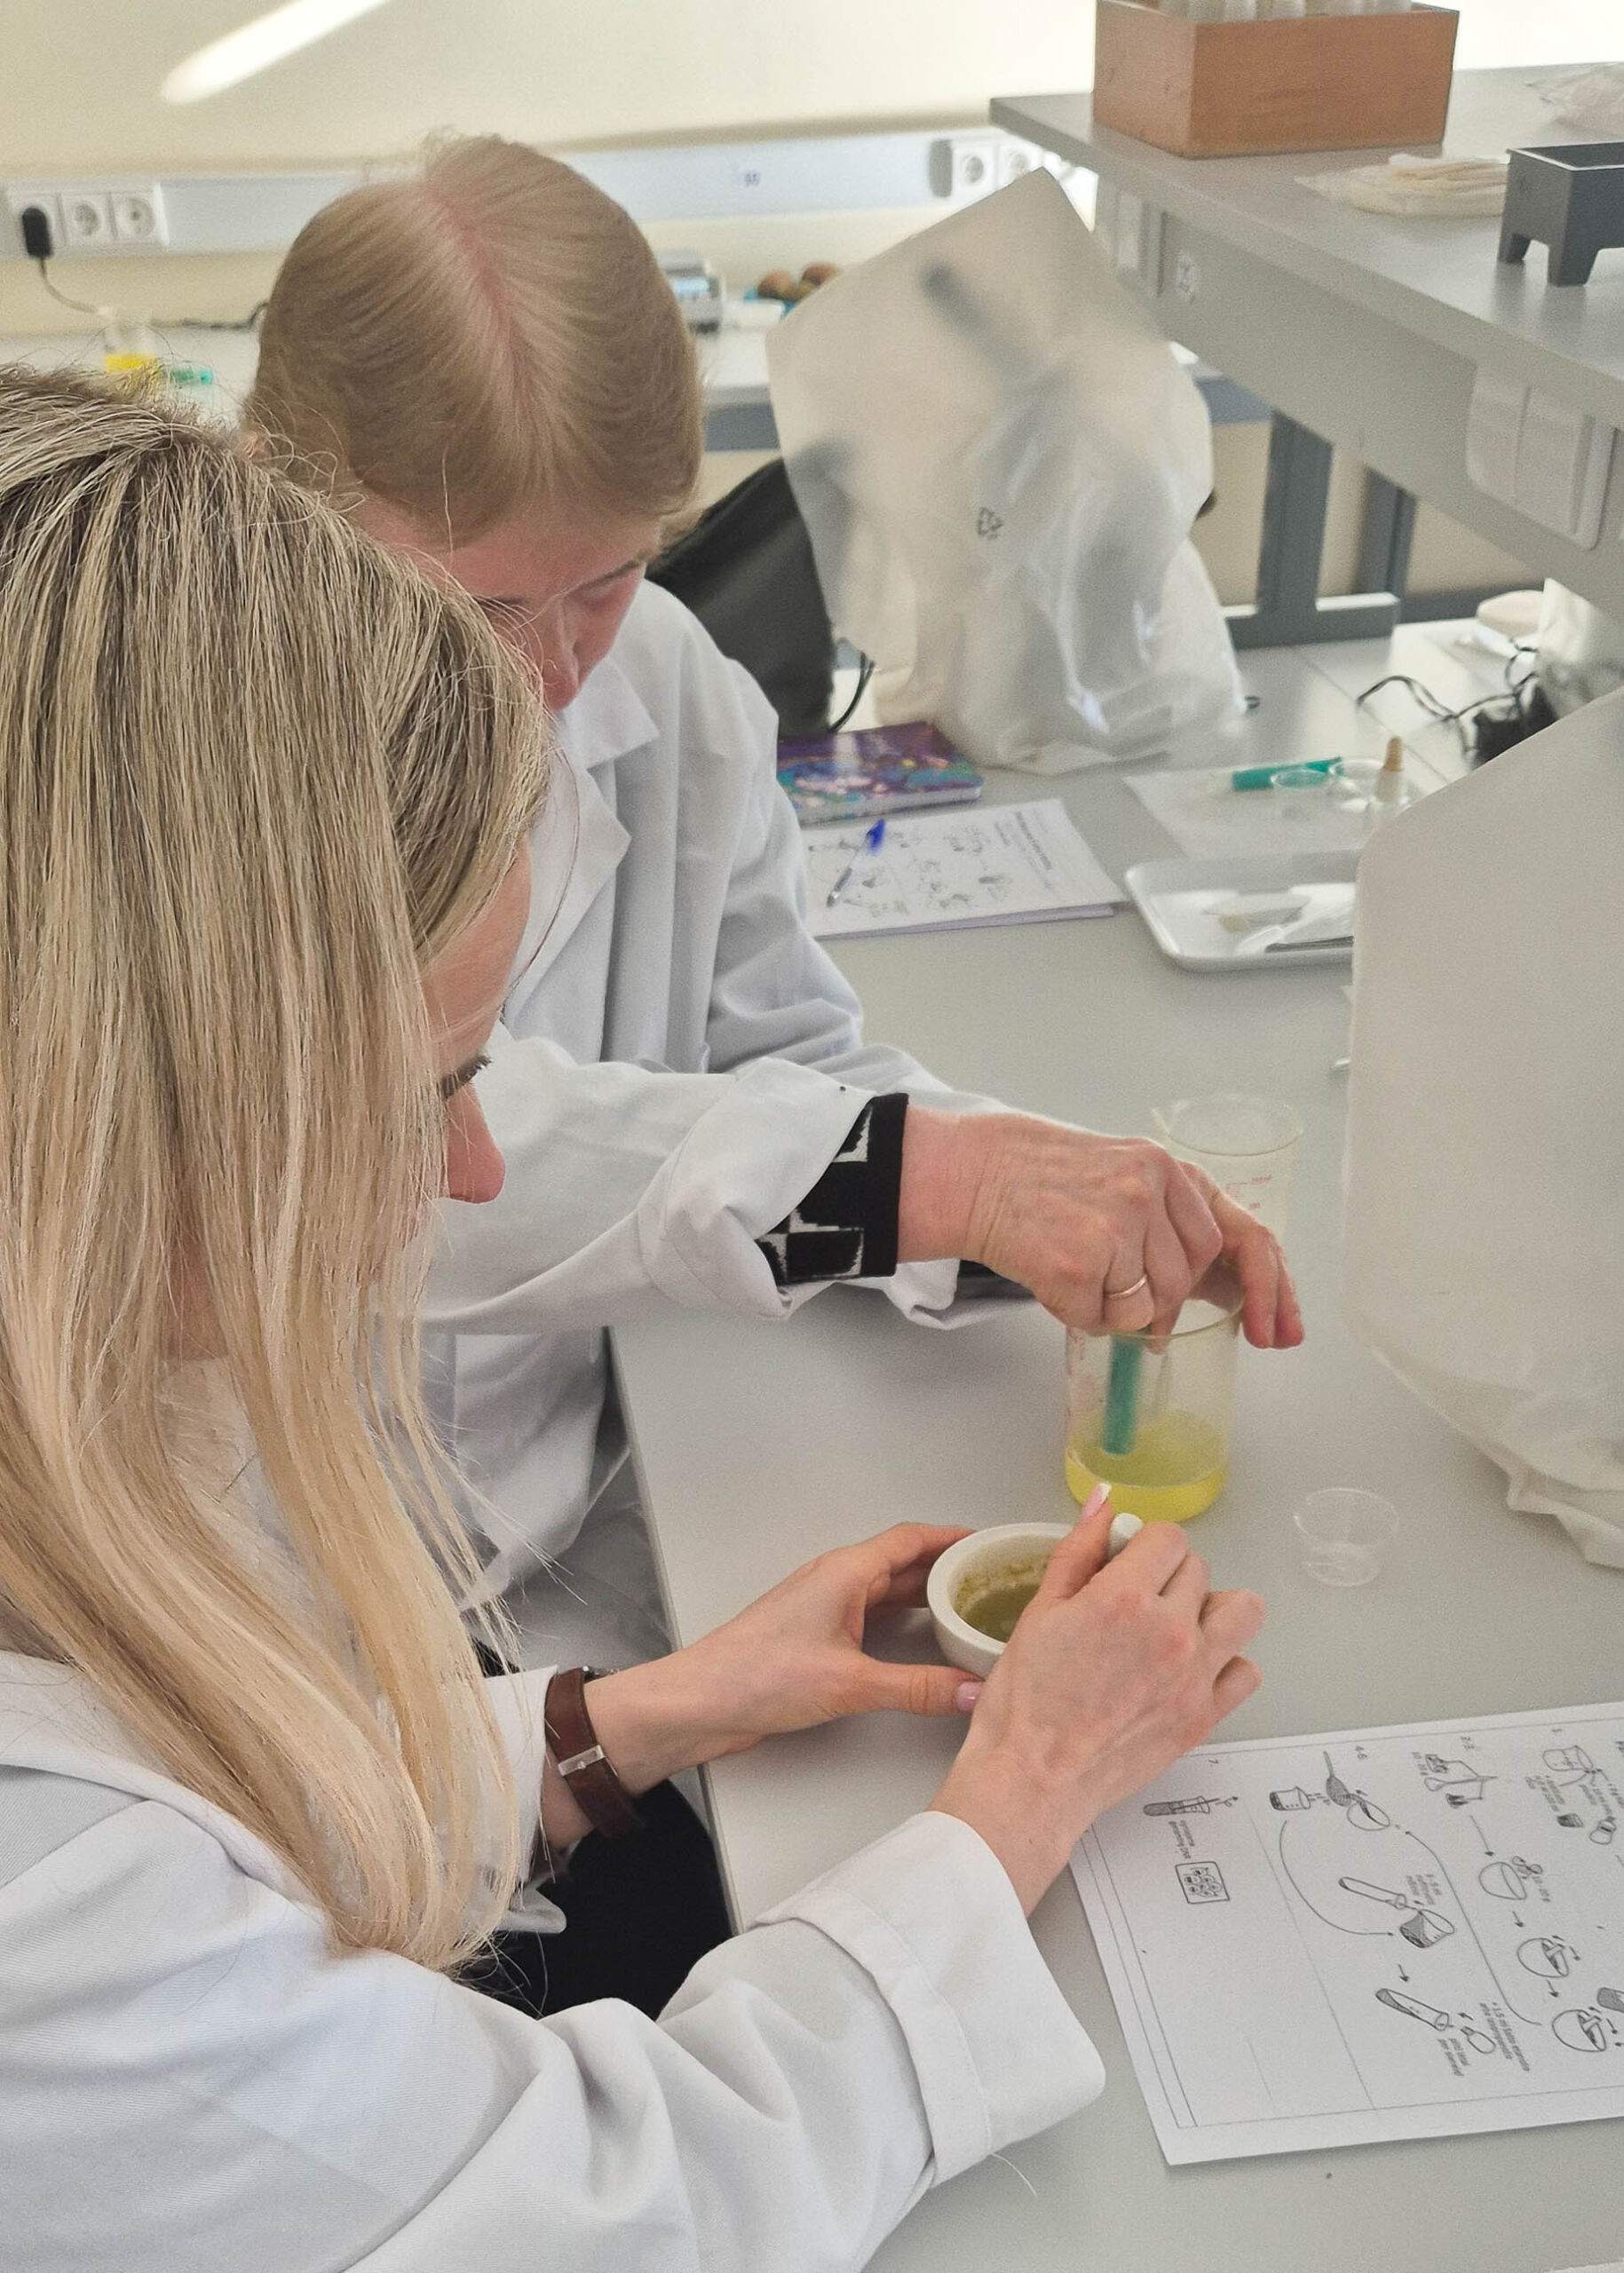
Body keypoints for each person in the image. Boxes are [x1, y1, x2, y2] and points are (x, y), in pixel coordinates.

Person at [0, 364, 1266, 2273]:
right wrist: (1019, 1802)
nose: (473, 1168)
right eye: (429, 1089)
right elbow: (619, 2208)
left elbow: (192, 1812)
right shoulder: (47, 1905)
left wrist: (622, 1721)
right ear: (109, 1107)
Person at [246, 135, 1300, 2010]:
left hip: (558, 1593)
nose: (555, 672)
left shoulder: (668, 687)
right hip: (247, 1612)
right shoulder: (167, 756)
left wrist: (1014, 1187)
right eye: (484, 608)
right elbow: (377, 1173)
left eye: (602, 583)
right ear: (279, 499)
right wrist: (912, 1179)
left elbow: (785, 1054)